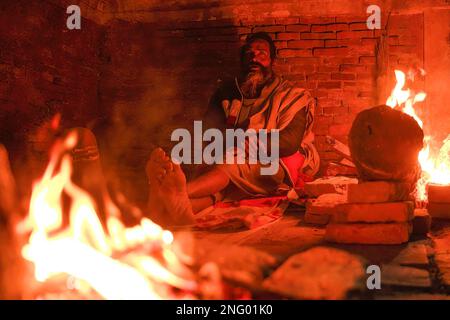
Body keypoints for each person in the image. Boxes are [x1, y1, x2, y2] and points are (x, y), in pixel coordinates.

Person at [146, 32, 320, 227]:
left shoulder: (292, 96)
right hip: (231, 155)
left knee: (231, 164)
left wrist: (242, 144)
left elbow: (289, 142)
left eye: (261, 53)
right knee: (220, 189)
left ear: (272, 59)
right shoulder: (226, 93)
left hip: (275, 163)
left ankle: (175, 191)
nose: (254, 58)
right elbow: (208, 131)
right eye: (249, 54)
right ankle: (174, 207)